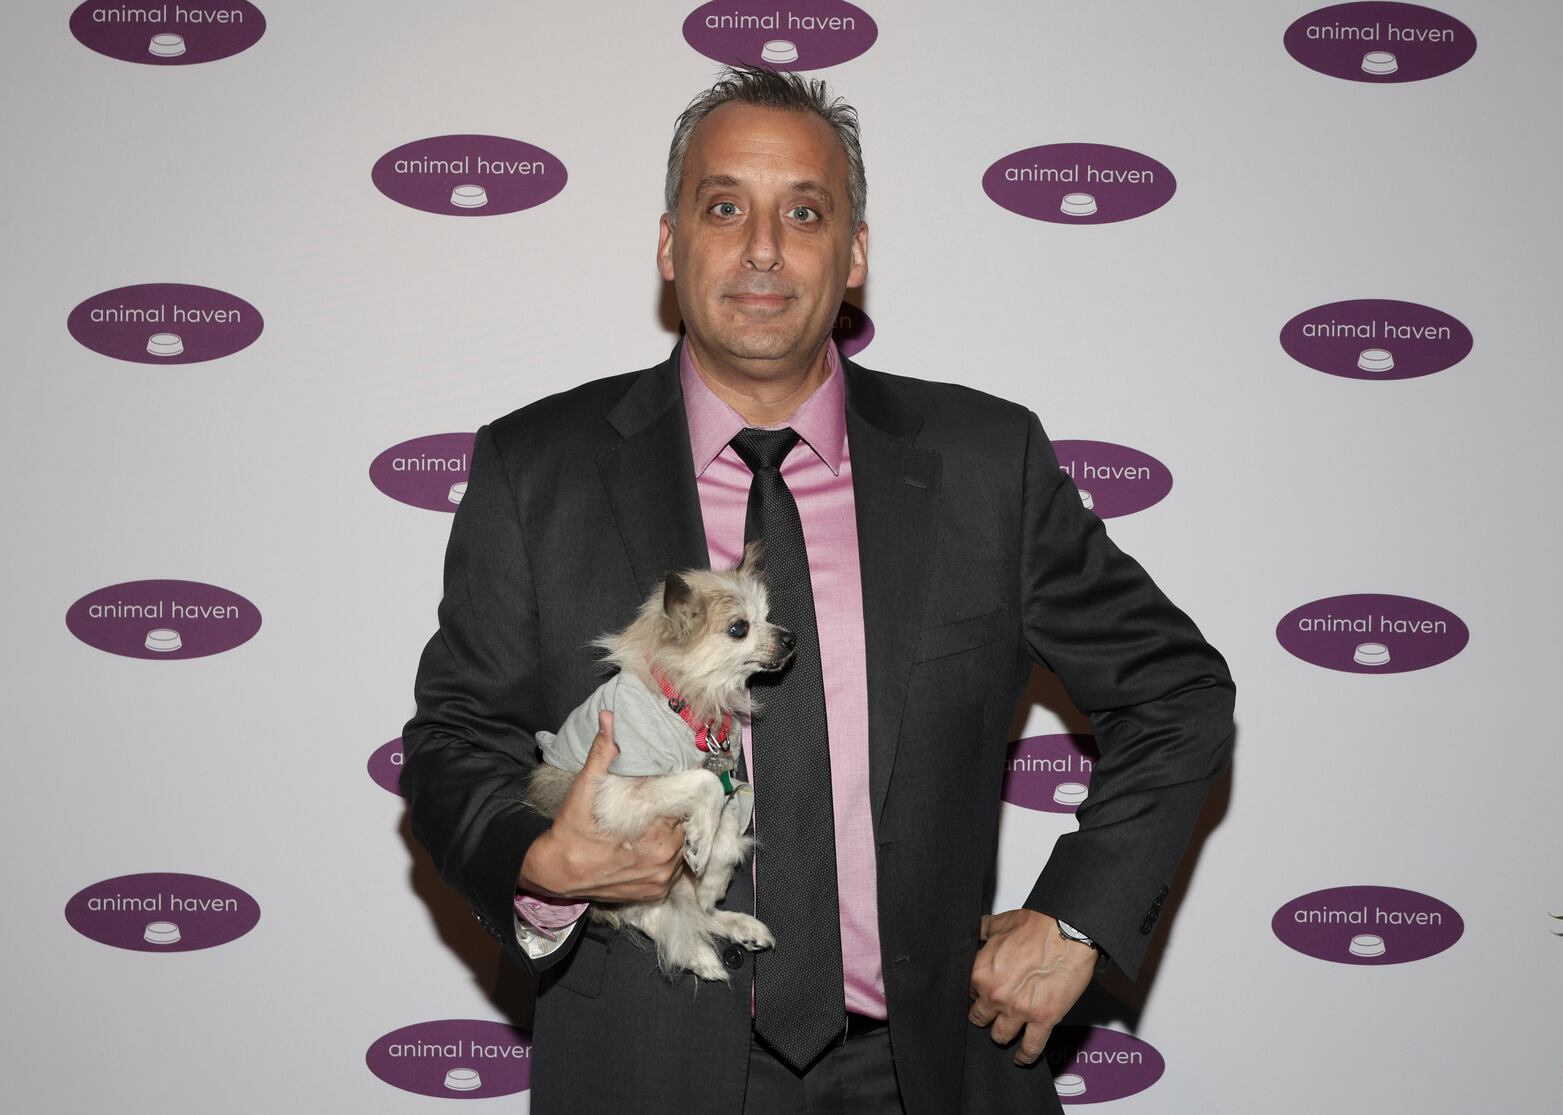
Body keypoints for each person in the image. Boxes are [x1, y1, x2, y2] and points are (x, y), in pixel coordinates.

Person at [401, 66, 1234, 1114]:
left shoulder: (986, 465)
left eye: (803, 210)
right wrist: (537, 858)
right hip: (642, 1070)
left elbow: (1177, 690)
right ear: (669, 246)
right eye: (723, 207)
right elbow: (452, 737)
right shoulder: (537, 469)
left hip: (929, 1070)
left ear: (853, 255)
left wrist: (1076, 916)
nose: (761, 246)